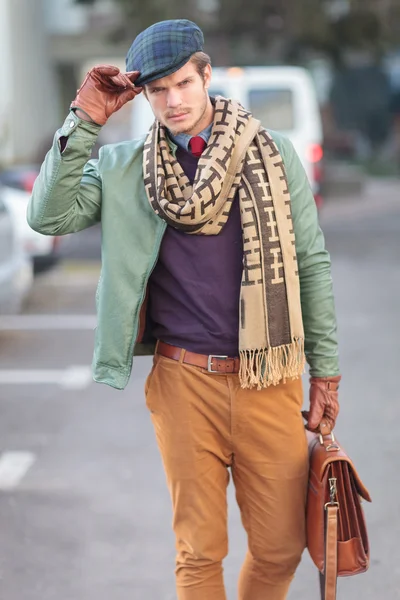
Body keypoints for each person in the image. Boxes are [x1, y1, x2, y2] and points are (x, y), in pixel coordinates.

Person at [27, 19, 341, 600]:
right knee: (198, 553)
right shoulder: (123, 169)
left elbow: (312, 265)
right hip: (181, 382)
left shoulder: (274, 155)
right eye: (157, 91)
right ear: (143, 96)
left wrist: (326, 371)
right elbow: (47, 217)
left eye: (181, 84)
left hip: (267, 377)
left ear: (205, 77)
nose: (172, 101)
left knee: (280, 549)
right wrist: (86, 118)